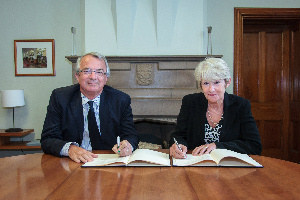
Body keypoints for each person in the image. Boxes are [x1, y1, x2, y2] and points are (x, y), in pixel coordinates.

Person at [41, 52, 139, 163]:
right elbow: (47, 139)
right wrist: (70, 149)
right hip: (72, 162)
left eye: (99, 72)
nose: (93, 77)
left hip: (109, 161)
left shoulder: (120, 100)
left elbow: (131, 135)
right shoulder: (60, 98)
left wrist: (128, 145)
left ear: (106, 77)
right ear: (77, 76)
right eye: (87, 71)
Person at [169, 58, 262, 159]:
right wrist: (178, 145)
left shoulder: (240, 105)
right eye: (206, 83)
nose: (211, 89)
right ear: (201, 85)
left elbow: (254, 145)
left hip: (229, 166)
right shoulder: (190, 102)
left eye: (216, 82)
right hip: (195, 163)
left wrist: (217, 146)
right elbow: (177, 136)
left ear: (227, 82)